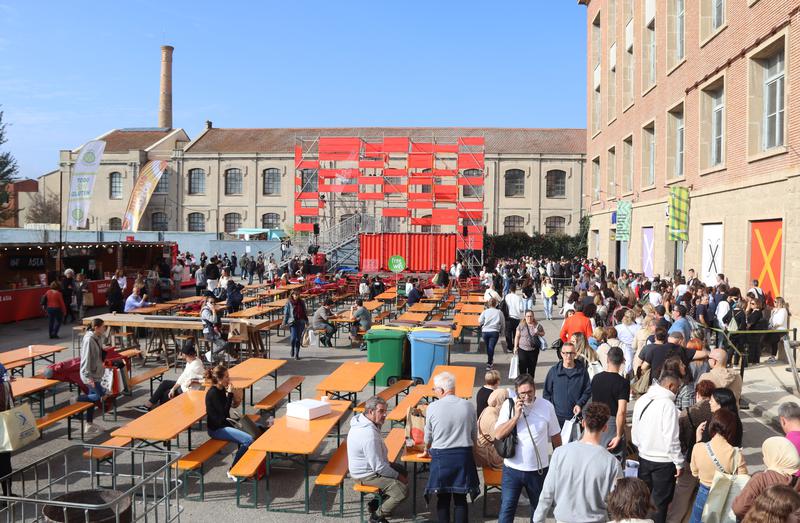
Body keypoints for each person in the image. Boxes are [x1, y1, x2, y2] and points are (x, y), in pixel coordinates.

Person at [533, 402, 622, 523]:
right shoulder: (612, 463)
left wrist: (538, 519)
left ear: (583, 423)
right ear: (605, 427)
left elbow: (547, 493)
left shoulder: (560, 453)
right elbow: (616, 505)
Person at [494, 373, 562, 522]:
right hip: (512, 469)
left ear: (535, 390)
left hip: (538, 471)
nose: (526, 396)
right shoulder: (509, 405)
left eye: (529, 392)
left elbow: (556, 437)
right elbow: (498, 434)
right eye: (522, 393)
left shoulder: (547, 406)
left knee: (538, 512)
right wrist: (515, 416)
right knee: (506, 509)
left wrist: (558, 465)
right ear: (517, 393)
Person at [420, 372, 479, 523]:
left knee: (443, 498)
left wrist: (426, 450)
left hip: (441, 457)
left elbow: (428, 436)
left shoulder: (432, 407)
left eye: (434, 390)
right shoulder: (468, 405)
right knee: (460, 499)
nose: (434, 393)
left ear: (441, 390)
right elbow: (474, 434)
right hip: (463, 456)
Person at [632, 373, 685, 523]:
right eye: (677, 388)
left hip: (644, 456)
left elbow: (634, 429)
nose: (678, 391)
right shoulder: (668, 405)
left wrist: (641, 447)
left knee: (642, 500)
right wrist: (679, 462)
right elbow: (671, 438)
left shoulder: (642, 400)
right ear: (670, 386)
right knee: (659, 504)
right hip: (664, 461)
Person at [347, 396, 408, 522]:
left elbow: (378, 462)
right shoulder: (368, 435)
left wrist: (395, 471)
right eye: (381, 411)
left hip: (370, 468)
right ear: (370, 412)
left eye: (386, 411)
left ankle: (374, 504)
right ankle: (377, 516)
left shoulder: (362, 420)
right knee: (402, 490)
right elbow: (379, 467)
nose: (385, 415)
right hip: (366, 475)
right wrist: (397, 477)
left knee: (402, 470)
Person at [667, 379, 716, 523]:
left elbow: (679, 439)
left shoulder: (688, 413)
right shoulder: (719, 413)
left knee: (681, 498)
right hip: (711, 463)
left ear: (697, 394)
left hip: (690, 459)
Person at [689, 408, 748, 522]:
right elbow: (743, 480)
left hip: (703, 493)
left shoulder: (698, 448)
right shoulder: (736, 454)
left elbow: (694, 472)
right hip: (724, 495)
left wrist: (698, 440)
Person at [733, 437, 800, 519]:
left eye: (765, 455)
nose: (763, 458)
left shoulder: (761, 479)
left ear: (773, 457)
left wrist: (755, 517)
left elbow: (739, 509)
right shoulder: (796, 481)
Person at [204, 366, 251, 480]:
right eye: (226, 377)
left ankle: (242, 461)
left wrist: (233, 395)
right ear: (219, 379)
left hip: (225, 424)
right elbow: (224, 414)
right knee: (248, 439)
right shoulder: (213, 393)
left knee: (255, 429)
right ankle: (232, 470)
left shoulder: (220, 390)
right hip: (216, 429)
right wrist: (229, 395)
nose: (228, 379)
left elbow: (229, 409)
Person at [133, 341, 205, 412]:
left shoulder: (194, 366)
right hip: (185, 385)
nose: (180, 354)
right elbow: (183, 377)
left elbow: (186, 383)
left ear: (185, 355)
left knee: (165, 394)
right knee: (165, 383)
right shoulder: (192, 361)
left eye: (182, 353)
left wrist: (173, 390)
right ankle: (148, 406)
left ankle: (153, 409)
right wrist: (173, 388)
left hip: (189, 390)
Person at [591, 346, 629, 460]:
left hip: (596, 422)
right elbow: (621, 411)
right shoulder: (623, 383)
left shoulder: (596, 378)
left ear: (607, 359)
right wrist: (618, 435)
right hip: (612, 424)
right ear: (622, 361)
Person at [543, 341, 592, 426]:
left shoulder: (582, 372)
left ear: (575, 354)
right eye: (566, 353)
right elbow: (547, 393)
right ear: (561, 354)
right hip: (557, 418)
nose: (568, 356)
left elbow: (587, 392)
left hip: (575, 417)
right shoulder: (553, 371)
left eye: (571, 353)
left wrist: (579, 404)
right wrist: (551, 410)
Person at [77, 318, 108, 435]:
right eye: (103, 326)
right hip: (90, 375)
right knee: (101, 396)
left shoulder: (98, 337)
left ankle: (89, 424)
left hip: (96, 373)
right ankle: (76, 400)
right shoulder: (89, 340)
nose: (105, 328)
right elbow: (85, 360)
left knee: (93, 398)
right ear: (96, 328)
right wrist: (88, 378)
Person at [475, 387, 508, 470]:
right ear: (500, 400)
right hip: (488, 455)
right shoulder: (491, 415)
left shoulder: (490, 409)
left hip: (487, 450)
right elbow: (498, 436)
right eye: (506, 399)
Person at [513, 310, 544, 378]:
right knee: (522, 367)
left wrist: (538, 332)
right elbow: (517, 336)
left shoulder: (537, 325)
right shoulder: (521, 325)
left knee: (532, 368)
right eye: (528, 316)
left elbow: (543, 333)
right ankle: (523, 382)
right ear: (525, 317)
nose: (529, 318)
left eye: (531, 316)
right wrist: (515, 347)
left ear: (533, 317)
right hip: (522, 349)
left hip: (533, 350)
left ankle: (530, 382)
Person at [0, 363, 15, 499]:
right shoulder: (2, 370)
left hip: (3, 423)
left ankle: (7, 494)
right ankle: (7, 495)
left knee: (4, 462)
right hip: (3, 422)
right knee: (4, 462)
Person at [479, 298, 505, 370]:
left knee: (488, 347)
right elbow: (503, 323)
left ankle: (490, 360)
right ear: (496, 304)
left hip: (485, 331)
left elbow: (480, 320)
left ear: (488, 304)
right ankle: (489, 362)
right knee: (491, 347)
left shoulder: (485, 311)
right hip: (494, 331)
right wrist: (502, 332)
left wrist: (482, 324)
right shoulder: (499, 312)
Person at [283, 290, 308, 360]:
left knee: (298, 339)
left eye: (297, 295)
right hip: (292, 322)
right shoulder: (289, 303)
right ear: (292, 295)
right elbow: (286, 313)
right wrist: (284, 322)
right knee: (293, 338)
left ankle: (297, 354)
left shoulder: (302, 302)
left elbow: (304, 312)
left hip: (301, 321)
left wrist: (306, 321)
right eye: (295, 295)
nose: (296, 296)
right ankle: (292, 348)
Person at [503, 283, 525, 357]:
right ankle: (515, 346)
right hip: (516, 317)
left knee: (508, 333)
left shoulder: (506, 297)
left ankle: (509, 347)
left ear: (509, 289)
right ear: (515, 289)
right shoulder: (518, 298)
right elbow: (521, 309)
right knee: (516, 334)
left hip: (508, 317)